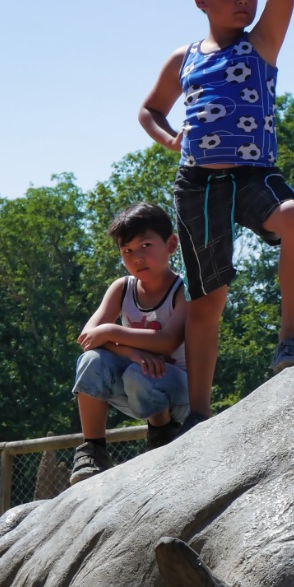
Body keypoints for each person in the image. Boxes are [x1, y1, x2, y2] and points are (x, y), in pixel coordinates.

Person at [138, 0, 294, 426]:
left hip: (251, 173)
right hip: (197, 183)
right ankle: (198, 413)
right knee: (207, 300)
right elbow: (148, 110)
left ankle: (289, 341)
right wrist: (168, 137)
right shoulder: (185, 57)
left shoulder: (261, 41)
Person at [69, 203, 188, 483]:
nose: (137, 257)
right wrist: (132, 352)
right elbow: (88, 338)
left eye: (146, 245)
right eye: (127, 251)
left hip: (177, 392)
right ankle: (93, 450)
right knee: (91, 361)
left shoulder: (183, 290)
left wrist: (112, 332)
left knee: (140, 371)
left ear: (171, 244)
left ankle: (161, 432)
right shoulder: (122, 288)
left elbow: (167, 343)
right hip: (134, 386)